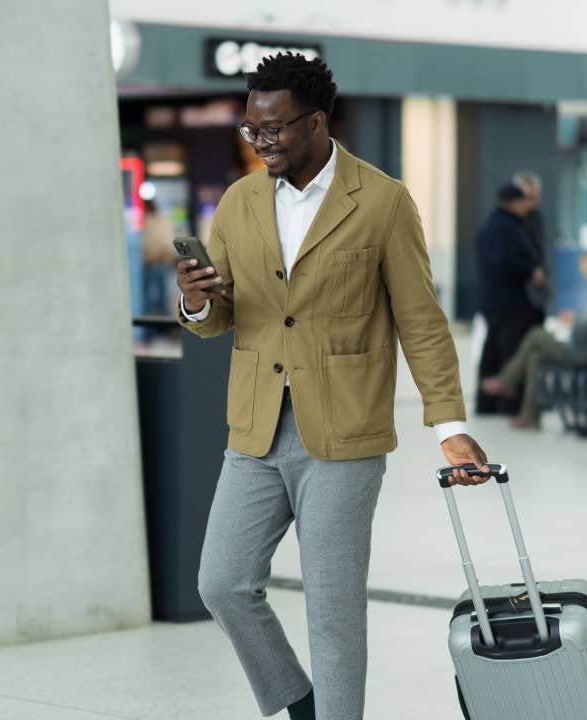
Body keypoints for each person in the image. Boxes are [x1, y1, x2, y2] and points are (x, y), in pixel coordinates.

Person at [174, 53, 490, 720]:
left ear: (316, 122)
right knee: (223, 583)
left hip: (344, 435)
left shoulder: (380, 201)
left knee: (333, 607)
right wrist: (197, 301)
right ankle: (300, 702)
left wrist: (451, 428)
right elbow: (220, 319)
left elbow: (422, 323)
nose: (260, 142)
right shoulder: (240, 201)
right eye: (251, 130)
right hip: (255, 427)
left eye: (275, 129)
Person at [481, 249, 587, 428]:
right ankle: (529, 416)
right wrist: (576, 320)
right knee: (537, 357)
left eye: (586, 270)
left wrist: (576, 321)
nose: (584, 274)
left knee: (536, 335)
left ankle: (507, 380)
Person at [475, 183, 544, 415]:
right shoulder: (510, 230)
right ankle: (509, 404)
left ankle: (486, 403)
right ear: (514, 203)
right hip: (513, 303)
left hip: (491, 301)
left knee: (492, 351)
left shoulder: (489, 227)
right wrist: (531, 271)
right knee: (511, 352)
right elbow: (508, 263)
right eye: (524, 201)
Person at [513, 171, 550, 312]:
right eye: (529, 198)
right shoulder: (506, 222)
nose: (532, 203)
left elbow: (539, 248)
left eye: (536, 198)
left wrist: (539, 270)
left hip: (534, 287)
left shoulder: (536, 217)